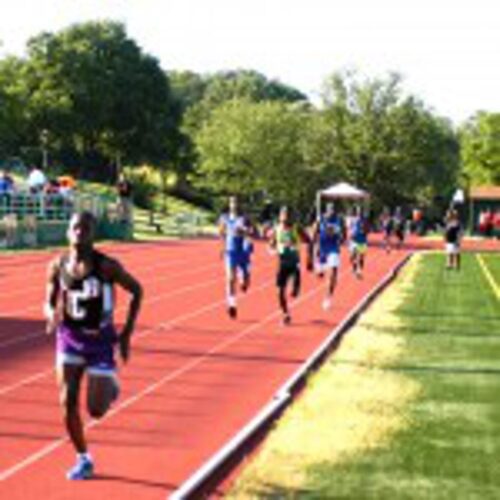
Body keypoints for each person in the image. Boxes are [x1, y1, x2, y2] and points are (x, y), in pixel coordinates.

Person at [44, 211, 143, 480]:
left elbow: (137, 291)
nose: (79, 232)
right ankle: (83, 458)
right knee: (67, 402)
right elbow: (50, 296)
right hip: (69, 338)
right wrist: (50, 311)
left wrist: (126, 334)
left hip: (100, 342)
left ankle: (110, 386)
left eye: (85, 228)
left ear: (93, 234)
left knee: (96, 411)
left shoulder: (107, 266)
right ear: (68, 232)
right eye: (75, 227)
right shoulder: (57, 264)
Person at [268, 206, 313, 325]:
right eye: (282, 215)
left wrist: (309, 259)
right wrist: (272, 250)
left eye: (287, 215)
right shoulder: (276, 229)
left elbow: (309, 241)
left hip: (294, 263)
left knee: (294, 292)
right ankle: (285, 314)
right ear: (280, 216)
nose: (284, 217)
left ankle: (295, 287)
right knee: (279, 292)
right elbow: (271, 246)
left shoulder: (297, 228)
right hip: (282, 263)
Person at [218, 196, 253, 318]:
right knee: (230, 278)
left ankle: (244, 279)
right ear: (229, 204)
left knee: (246, 282)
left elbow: (252, 232)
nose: (234, 205)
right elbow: (221, 233)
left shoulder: (244, 218)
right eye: (232, 202)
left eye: (237, 202)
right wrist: (222, 248)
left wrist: (244, 231)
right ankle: (232, 304)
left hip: (243, 251)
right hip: (230, 251)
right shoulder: (224, 218)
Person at [311, 203, 343, 310]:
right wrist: (314, 250)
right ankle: (319, 269)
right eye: (330, 210)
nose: (332, 212)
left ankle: (328, 297)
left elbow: (342, 233)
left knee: (333, 272)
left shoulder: (339, 220)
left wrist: (341, 237)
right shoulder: (320, 219)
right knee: (320, 274)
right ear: (326, 211)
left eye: (333, 210)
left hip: (333, 249)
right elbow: (314, 234)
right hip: (322, 250)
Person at [348, 206, 369, 279]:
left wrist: (364, 230)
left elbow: (367, 230)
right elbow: (350, 228)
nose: (359, 213)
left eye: (360, 211)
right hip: (354, 241)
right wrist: (350, 234)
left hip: (362, 241)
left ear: (362, 212)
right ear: (356, 212)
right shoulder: (353, 219)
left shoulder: (365, 220)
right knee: (352, 257)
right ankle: (354, 270)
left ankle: (359, 271)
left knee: (361, 258)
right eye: (358, 211)